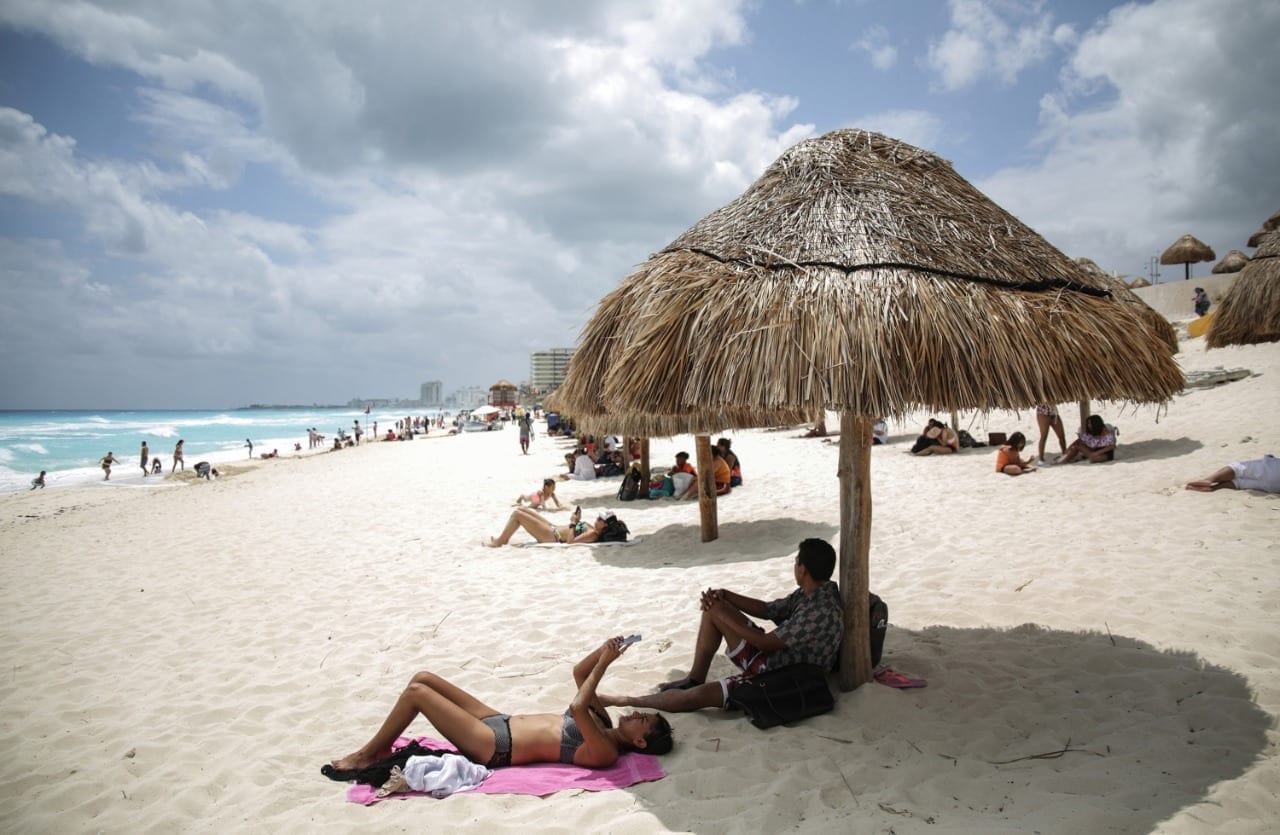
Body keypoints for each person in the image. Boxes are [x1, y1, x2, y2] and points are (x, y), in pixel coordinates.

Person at [328, 636, 672, 779]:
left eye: (645, 721)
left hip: (495, 747)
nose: (639, 714)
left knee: (416, 693)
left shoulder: (607, 752)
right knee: (424, 677)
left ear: (640, 742)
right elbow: (579, 673)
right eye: (645, 712)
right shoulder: (605, 719)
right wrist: (606, 648)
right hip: (499, 721)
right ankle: (379, 746)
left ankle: (370, 753)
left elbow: (578, 706)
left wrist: (606, 665)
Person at [599, 538, 842, 714]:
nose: (795, 567)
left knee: (700, 697)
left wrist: (721, 613)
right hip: (783, 661)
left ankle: (626, 700)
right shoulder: (814, 593)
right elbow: (769, 609)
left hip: (783, 674)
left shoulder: (818, 610)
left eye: (796, 562)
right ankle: (695, 677)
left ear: (803, 569)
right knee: (715, 606)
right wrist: (726, 596)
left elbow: (766, 644)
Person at [484, 506, 624, 547]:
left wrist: (574, 522)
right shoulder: (593, 530)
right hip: (553, 528)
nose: (597, 519)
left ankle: (500, 541)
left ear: (605, 525)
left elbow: (570, 542)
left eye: (600, 519)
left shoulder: (593, 534)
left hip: (553, 536)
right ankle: (502, 539)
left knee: (517, 514)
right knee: (521, 509)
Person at [1186, 455, 1280, 493]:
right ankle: (1215, 488)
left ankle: (1209, 480)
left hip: (1275, 469)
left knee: (1237, 468)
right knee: (1239, 483)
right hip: (1275, 488)